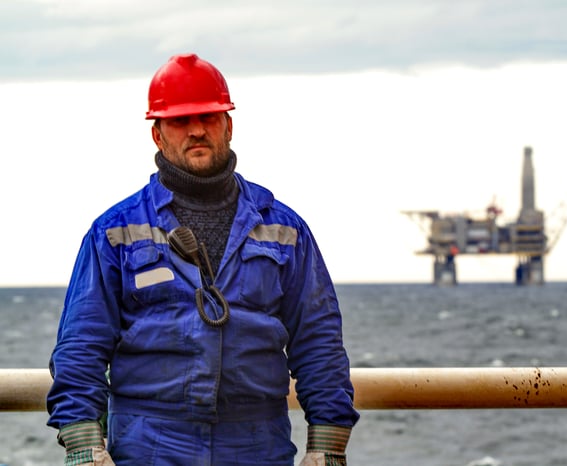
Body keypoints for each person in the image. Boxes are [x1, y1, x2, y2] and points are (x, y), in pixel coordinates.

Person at [47, 53, 359, 466]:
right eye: (179, 120)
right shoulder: (114, 231)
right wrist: (84, 446)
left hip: (257, 444)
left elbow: (318, 341)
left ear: (228, 126)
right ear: (157, 136)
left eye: (208, 117)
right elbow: (82, 345)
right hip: (149, 445)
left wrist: (328, 446)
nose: (196, 130)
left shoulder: (286, 230)